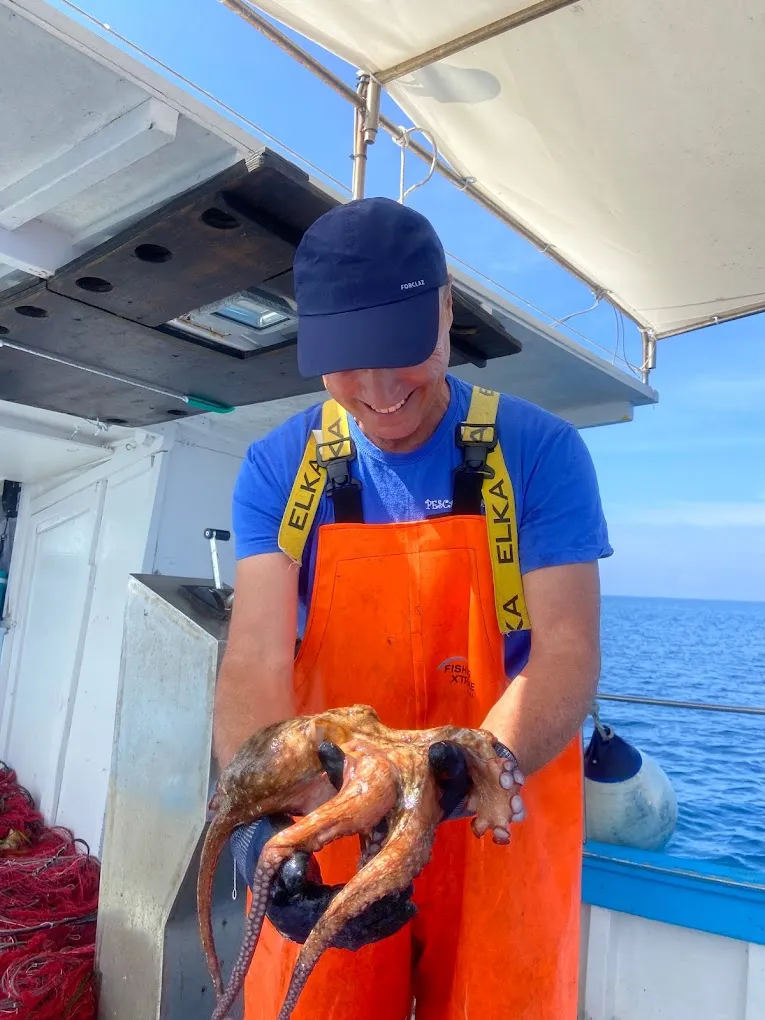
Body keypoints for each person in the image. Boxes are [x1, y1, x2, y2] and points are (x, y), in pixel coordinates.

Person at [213, 196, 611, 1019]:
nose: (378, 390)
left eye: (402, 351)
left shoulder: (539, 452)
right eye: (347, 363)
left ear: (445, 311)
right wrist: (261, 825)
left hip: (494, 809)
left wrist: (452, 780)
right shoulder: (279, 468)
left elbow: (565, 652)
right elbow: (255, 655)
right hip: (331, 807)